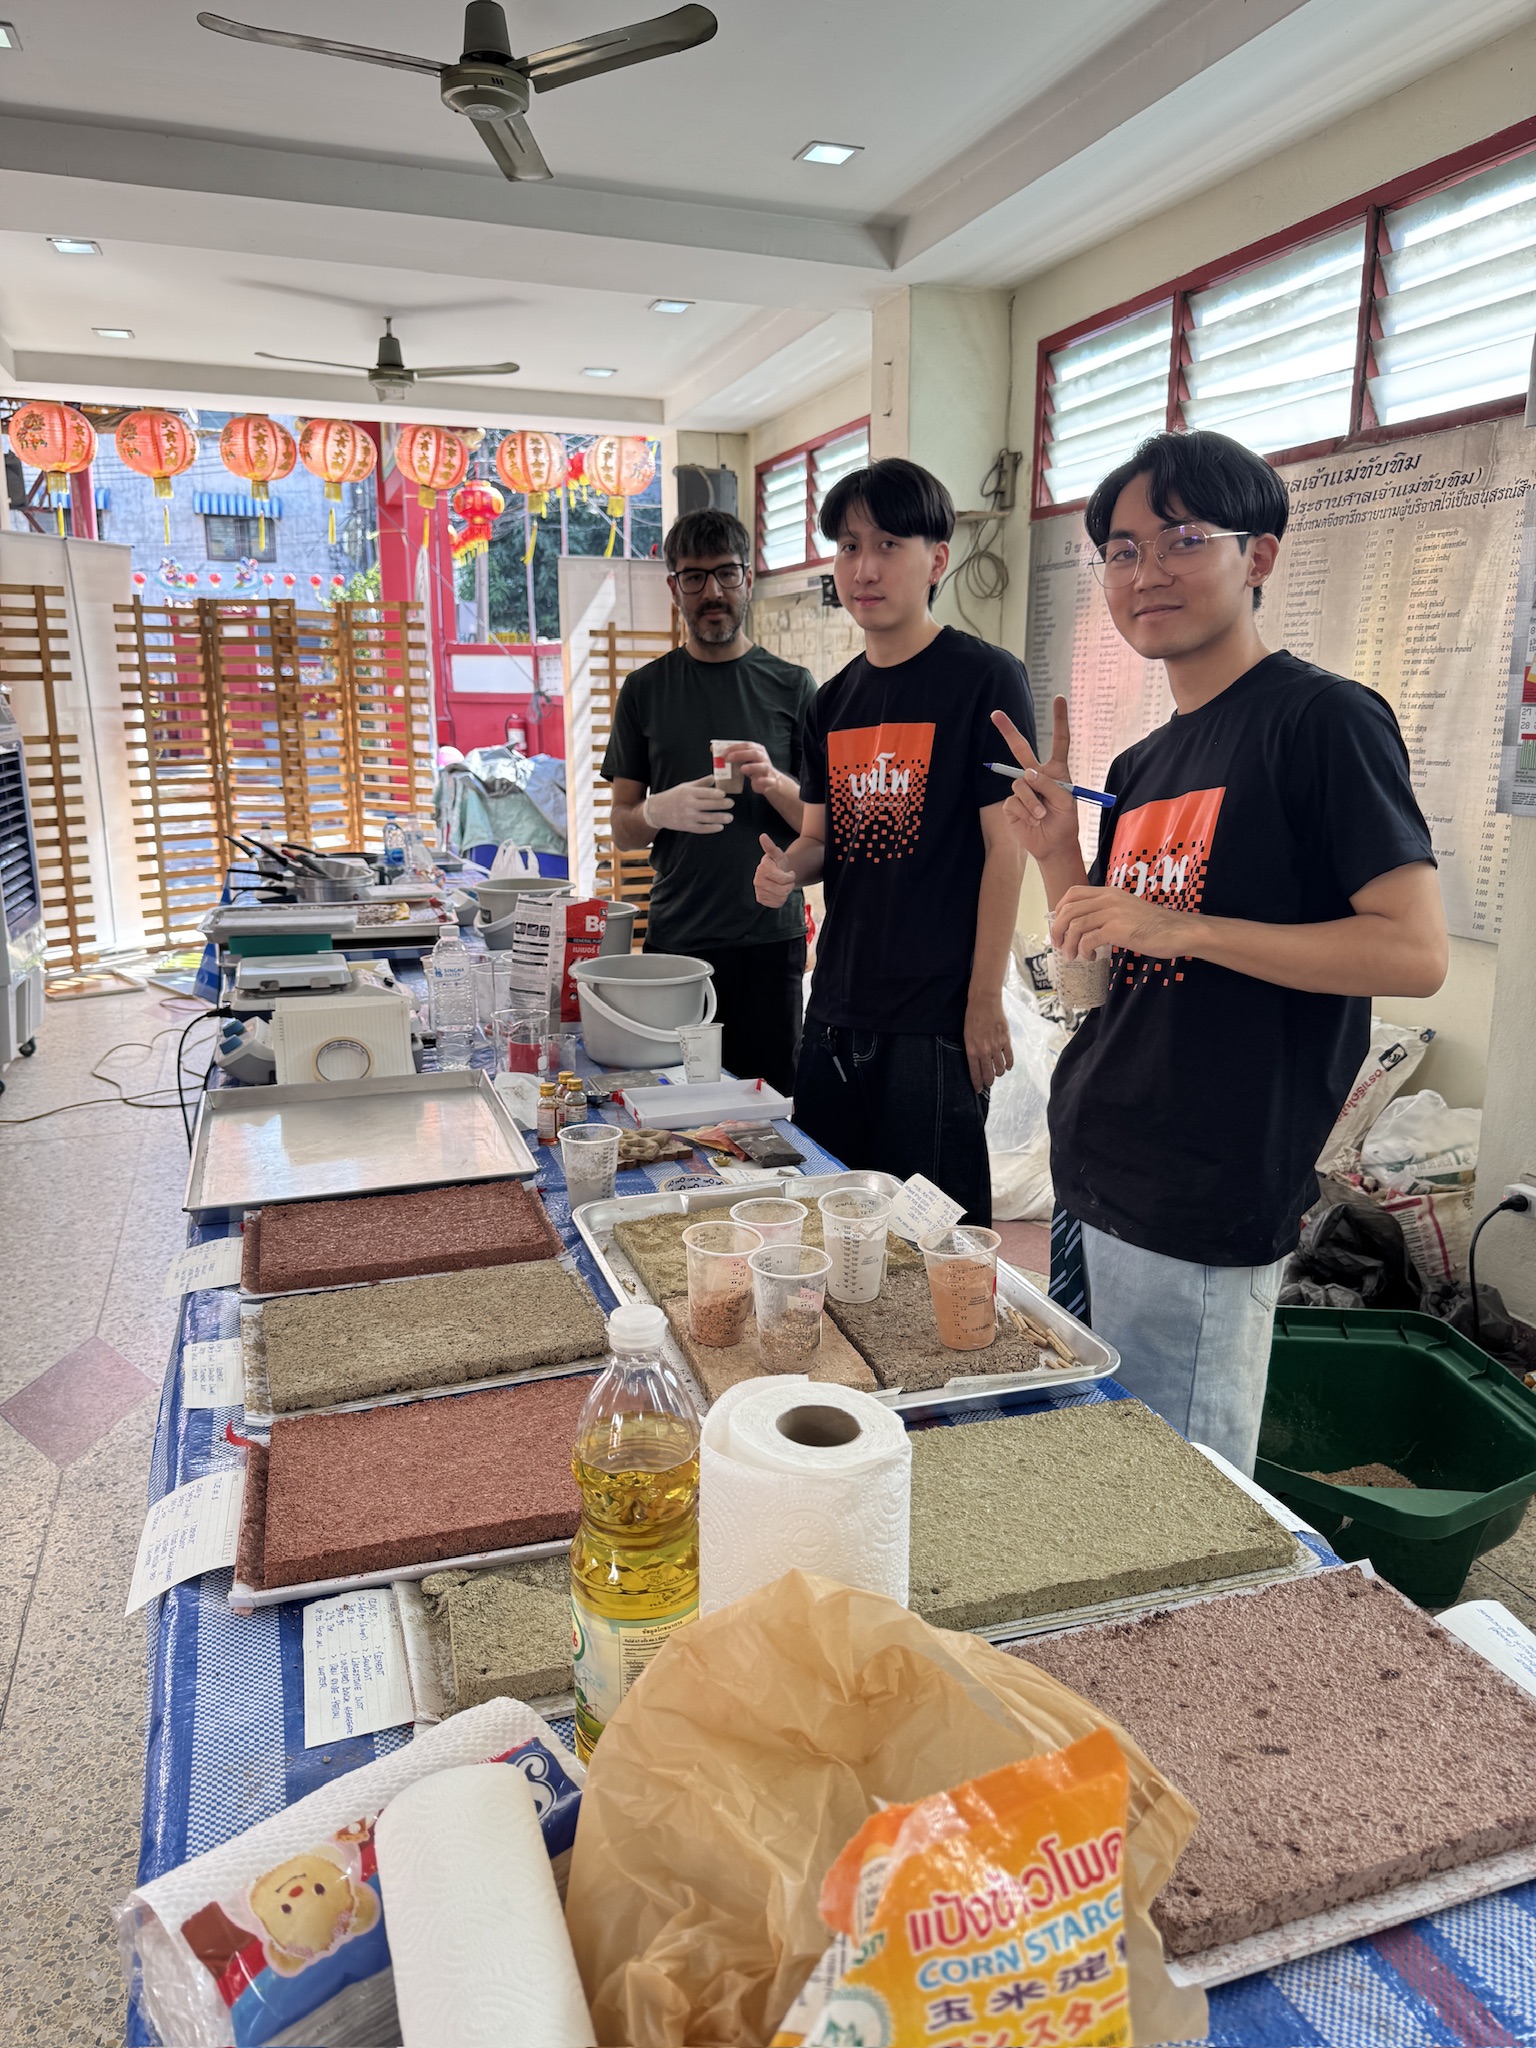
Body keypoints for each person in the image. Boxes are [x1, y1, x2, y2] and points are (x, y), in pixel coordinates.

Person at [993, 428, 1447, 1472]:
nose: (1146, 571)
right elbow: (1100, 982)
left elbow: (1415, 952)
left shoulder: (1321, 720)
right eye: (1121, 550)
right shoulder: (1147, 761)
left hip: (1205, 1190)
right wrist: (1059, 855)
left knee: (1181, 1493)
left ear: (1260, 555)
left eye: (1182, 539)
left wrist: (1189, 929)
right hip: (1097, 1165)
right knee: (1094, 1465)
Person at [754, 457, 1035, 1222]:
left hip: (934, 1021)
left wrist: (985, 1000)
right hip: (836, 1012)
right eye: (848, 547)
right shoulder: (832, 700)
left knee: (933, 1239)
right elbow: (818, 840)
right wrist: (785, 870)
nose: (864, 568)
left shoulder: (985, 679)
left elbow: (1005, 852)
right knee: (826, 1223)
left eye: (887, 545)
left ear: (936, 560)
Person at [604, 507, 817, 1093]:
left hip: (769, 938)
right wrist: (656, 810)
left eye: (726, 573)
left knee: (770, 1106)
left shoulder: (793, 686)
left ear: (748, 578)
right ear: (674, 587)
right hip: (678, 938)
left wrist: (774, 781)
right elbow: (622, 829)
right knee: (677, 1103)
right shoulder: (645, 690)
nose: (713, 592)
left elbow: (822, 827)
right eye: (695, 577)